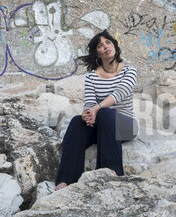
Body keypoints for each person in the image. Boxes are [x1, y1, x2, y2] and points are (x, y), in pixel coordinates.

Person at [55, 30, 138, 191]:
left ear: (114, 45)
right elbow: (89, 102)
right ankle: (66, 179)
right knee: (76, 122)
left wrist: (98, 108)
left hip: (125, 126)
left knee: (106, 113)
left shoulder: (129, 70)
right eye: (101, 45)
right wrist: (88, 114)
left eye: (108, 42)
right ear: (97, 53)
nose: (106, 47)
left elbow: (119, 94)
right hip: (102, 128)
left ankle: (110, 171)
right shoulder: (92, 76)